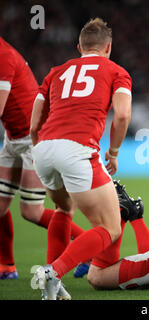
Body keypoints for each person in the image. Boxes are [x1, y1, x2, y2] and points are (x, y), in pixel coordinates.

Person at [29, 18, 132, 300]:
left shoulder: (56, 72)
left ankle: (52, 285)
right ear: (108, 47)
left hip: (44, 149)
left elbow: (34, 123)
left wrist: (44, 148)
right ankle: (54, 271)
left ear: (79, 47)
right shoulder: (116, 71)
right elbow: (122, 115)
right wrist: (113, 152)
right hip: (77, 150)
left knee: (63, 210)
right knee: (109, 228)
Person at [0, 37, 85, 280]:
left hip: (32, 139)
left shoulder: (3, 56)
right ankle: (6, 267)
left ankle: (87, 250)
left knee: (32, 211)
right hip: (13, 138)